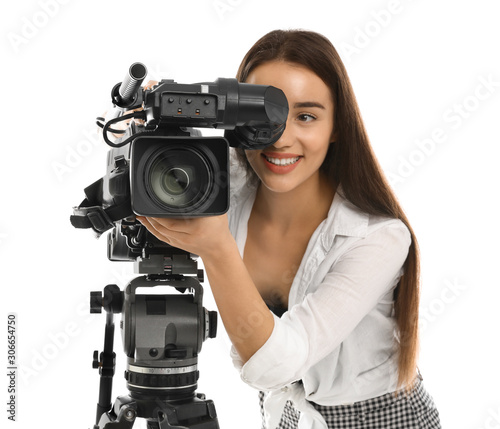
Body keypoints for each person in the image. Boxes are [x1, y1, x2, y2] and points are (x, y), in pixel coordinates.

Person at [138, 29, 441, 429]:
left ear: (336, 127)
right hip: (286, 417)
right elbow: (138, 165)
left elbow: (283, 361)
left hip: (382, 421)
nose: (280, 138)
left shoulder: (377, 238)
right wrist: (146, 120)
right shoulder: (218, 184)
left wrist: (216, 248)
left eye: (306, 116)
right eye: (262, 116)